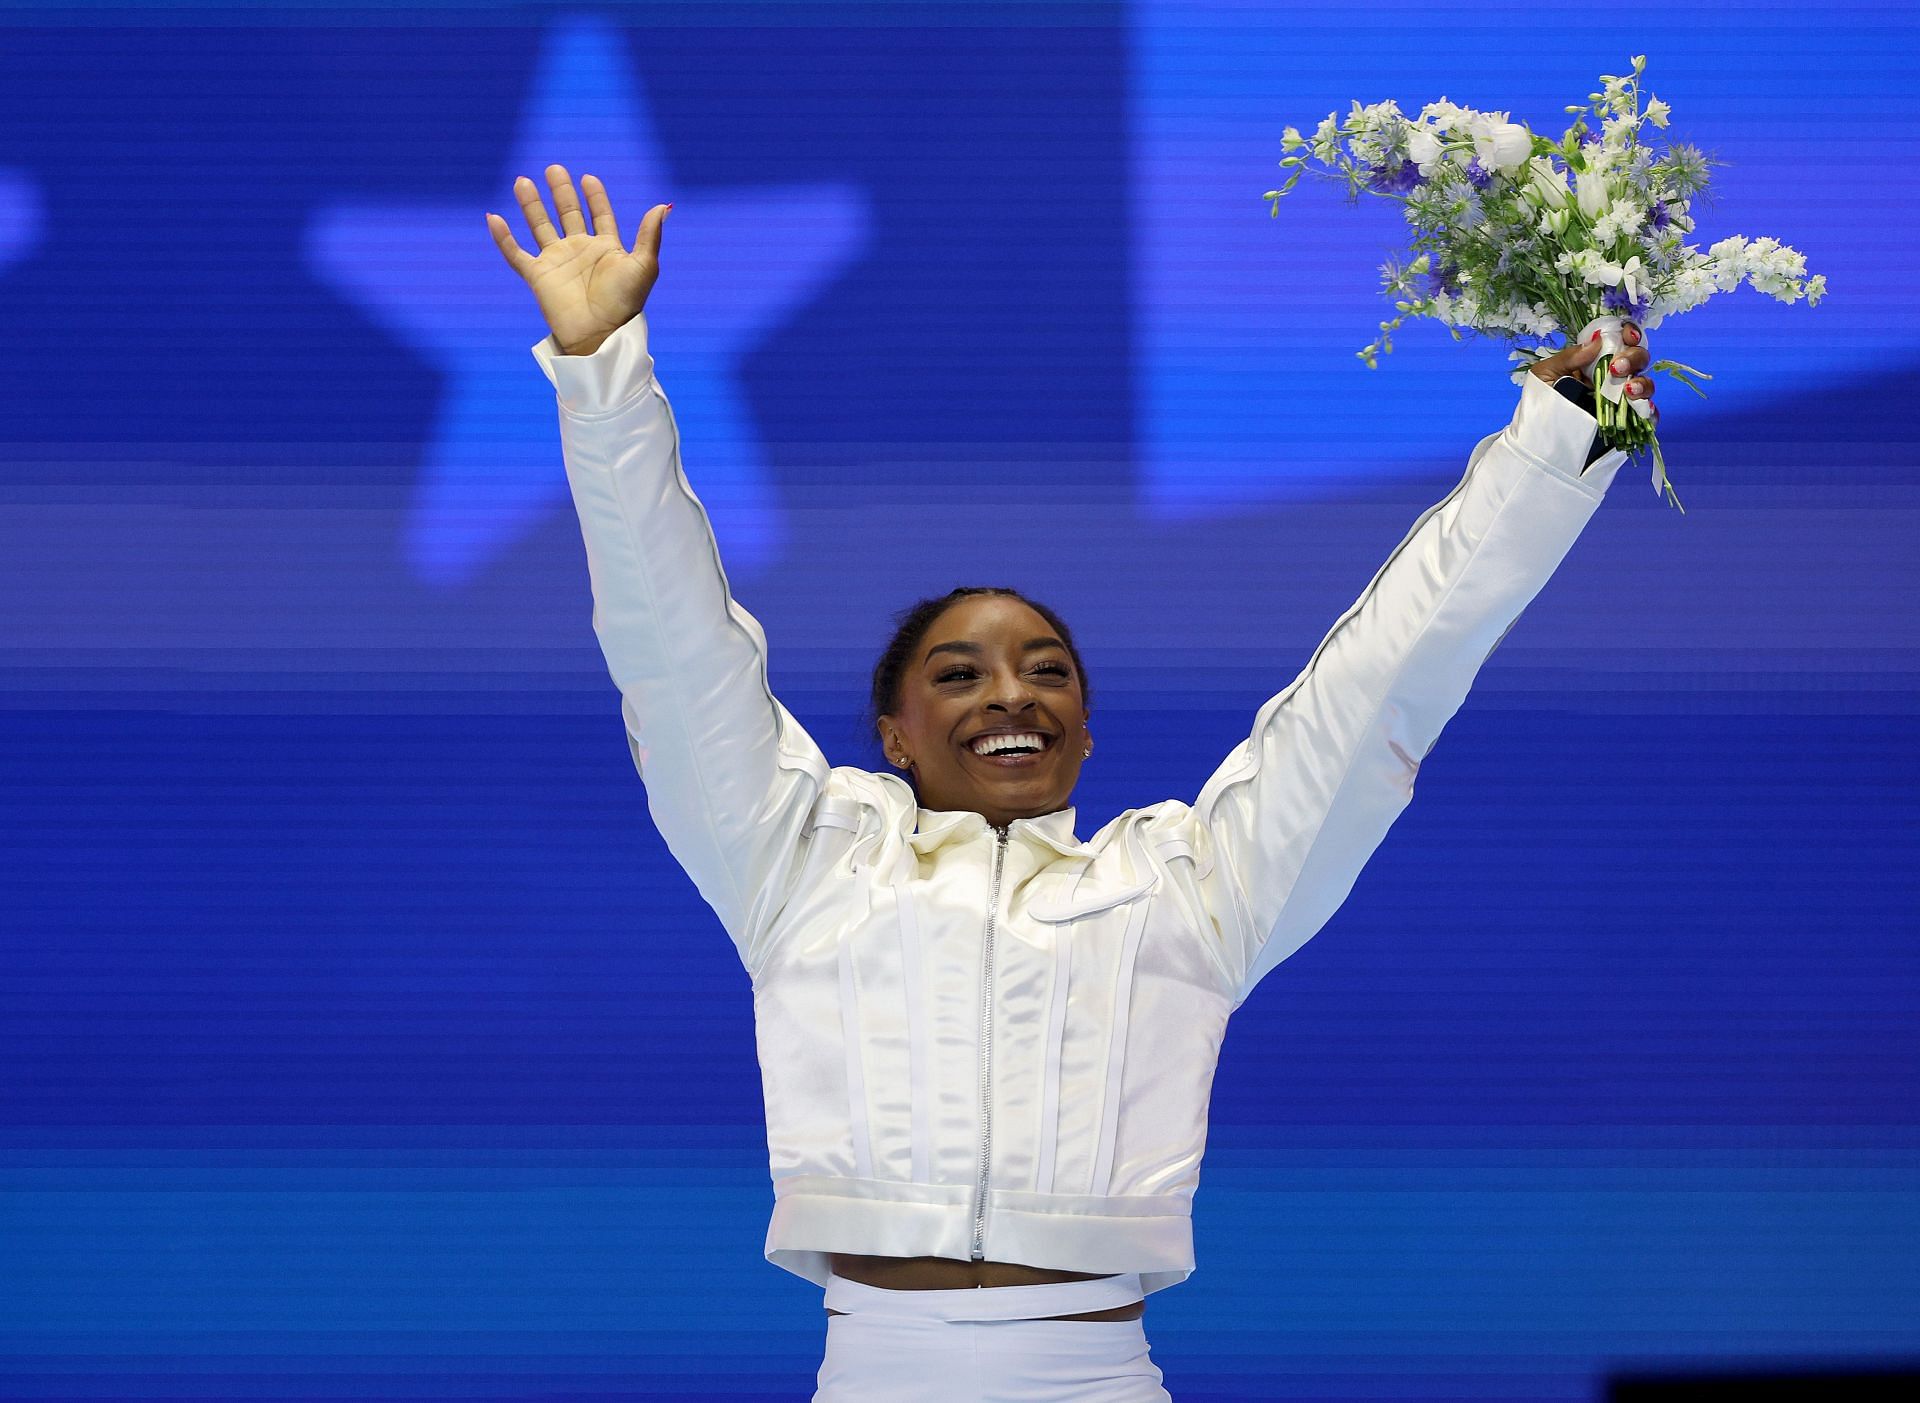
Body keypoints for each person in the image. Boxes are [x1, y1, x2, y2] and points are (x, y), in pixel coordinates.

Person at [487, 165, 1657, 1402]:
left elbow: (1386, 679)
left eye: (1046, 669)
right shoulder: (797, 859)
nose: (1010, 692)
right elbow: (669, 640)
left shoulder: (1190, 888)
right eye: (960, 672)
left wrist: (1563, 434)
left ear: (1086, 731)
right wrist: (603, 366)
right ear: (893, 730)